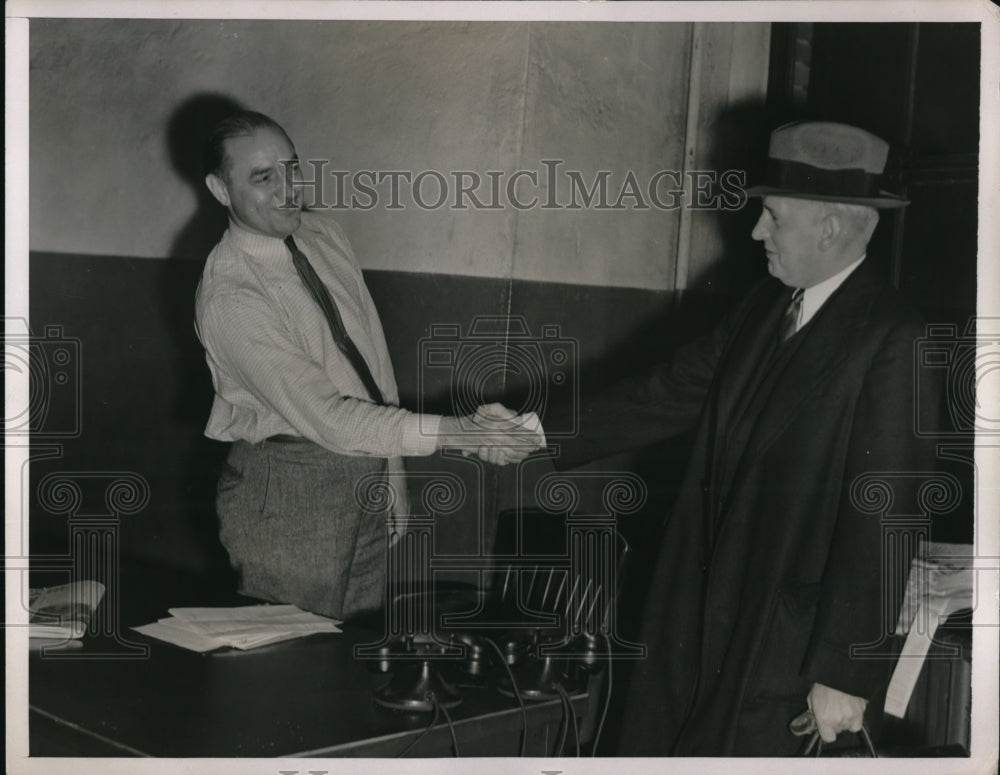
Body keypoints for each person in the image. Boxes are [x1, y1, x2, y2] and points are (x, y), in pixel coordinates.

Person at [549, 121, 941, 755]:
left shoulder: (893, 339)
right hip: (694, 614)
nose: (757, 230)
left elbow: (886, 520)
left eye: (772, 216)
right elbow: (665, 392)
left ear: (830, 229)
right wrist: (529, 433)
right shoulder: (765, 308)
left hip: (778, 640)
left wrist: (843, 673)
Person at [194, 110, 539, 621]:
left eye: (292, 169)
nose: (288, 190)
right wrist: (458, 433)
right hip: (290, 490)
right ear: (221, 190)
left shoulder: (324, 234)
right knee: (291, 668)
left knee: (351, 657)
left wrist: (392, 470)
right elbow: (329, 416)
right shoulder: (231, 295)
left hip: (367, 465)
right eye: (262, 178)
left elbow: (372, 356)